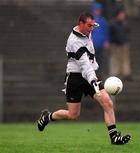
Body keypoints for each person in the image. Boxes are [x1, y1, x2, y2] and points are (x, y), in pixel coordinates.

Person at [37, 12, 131, 145]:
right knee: (73, 115)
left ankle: (114, 137)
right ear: (80, 24)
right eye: (88, 26)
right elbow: (85, 65)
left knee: (108, 103)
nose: (91, 28)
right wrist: (93, 80)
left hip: (90, 74)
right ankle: (48, 117)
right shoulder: (74, 42)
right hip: (75, 77)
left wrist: (93, 77)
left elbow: (89, 65)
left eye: (93, 26)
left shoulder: (87, 30)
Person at [109, 8, 132, 80]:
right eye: (121, 14)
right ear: (117, 15)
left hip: (124, 44)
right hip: (115, 45)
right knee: (115, 59)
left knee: (125, 59)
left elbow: (127, 32)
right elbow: (110, 34)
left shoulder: (125, 23)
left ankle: (126, 74)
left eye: (123, 15)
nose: (123, 16)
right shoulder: (112, 24)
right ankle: (115, 74)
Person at [91, 2, 110, 75]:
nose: (97, 11)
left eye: (99, 10)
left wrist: (106, 41)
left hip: (101, 43)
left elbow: (106, 31)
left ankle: (99, 72)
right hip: (93, 43)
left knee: (100, 58)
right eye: (96, 10)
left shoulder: (103, 20)